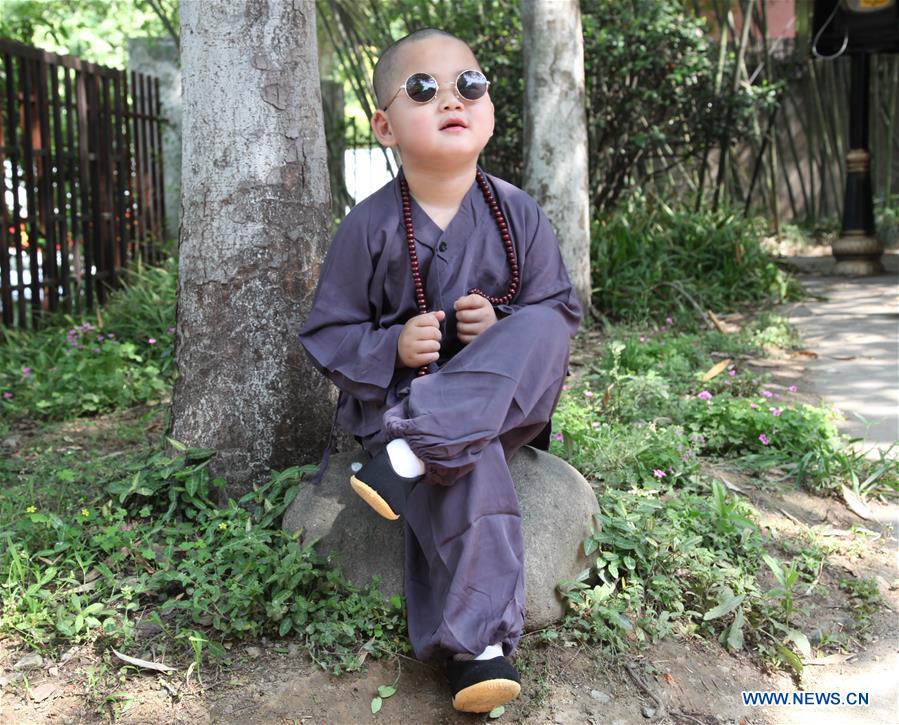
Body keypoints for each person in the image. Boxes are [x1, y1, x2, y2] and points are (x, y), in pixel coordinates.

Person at [299, 28, 581, 713]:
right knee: (469, 458)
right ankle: (478, 649)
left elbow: (557, 313)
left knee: (541, 323)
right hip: (404, 395)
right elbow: (328, 330)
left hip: (498, 399)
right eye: (423, 88)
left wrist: (504, 323)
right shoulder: (367, 226)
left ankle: (412, 452)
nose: (451, 99)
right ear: (384, 125)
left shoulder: (517, 214)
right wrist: (394, 344)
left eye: (469, 85)